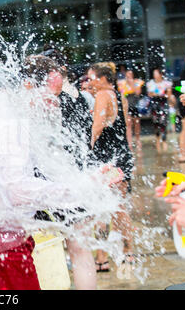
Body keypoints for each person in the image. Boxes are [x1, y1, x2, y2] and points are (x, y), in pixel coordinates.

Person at [24, 53, 97, 290]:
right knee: (80, 249)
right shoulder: (69, 99)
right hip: (68, 177)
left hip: (37, 183)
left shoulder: (23, 103)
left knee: (42, 250)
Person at [86, 62, 135, 273]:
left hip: (106, 159)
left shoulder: (102, 96)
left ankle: (101, 257)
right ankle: (128, 252)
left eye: (91, 78)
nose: (89, 83)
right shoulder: (119, 96)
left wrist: (89, 146)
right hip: (121, 157)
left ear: (101, 79)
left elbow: (97, 125)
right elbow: (124, 126)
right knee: (119, 206)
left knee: (101, 206)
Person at [146, 68, 174, 153]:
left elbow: (168, 94)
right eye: (154, 74)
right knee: (156, 123)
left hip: (163, 105)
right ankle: (158, 141)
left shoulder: (166, 83)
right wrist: (160, 93)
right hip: (155, 105)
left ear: (161, 74)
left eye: (156, 73)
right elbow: (150, 94)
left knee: (163, 123)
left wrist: (161, 94)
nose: (155, 75)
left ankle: (164, 141)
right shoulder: (150, 83)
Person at [117, 69, 144, 151]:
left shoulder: (136, 82)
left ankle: (137, 139)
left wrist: (131, 83)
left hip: (135, 104)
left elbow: (138, 92)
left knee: (136, 123)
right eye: (127, 75)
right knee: (128, 123)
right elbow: (121, 93)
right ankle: (129, 142)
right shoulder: (122, 83)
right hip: (127, 104)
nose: (128, 76)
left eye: (130, 75)